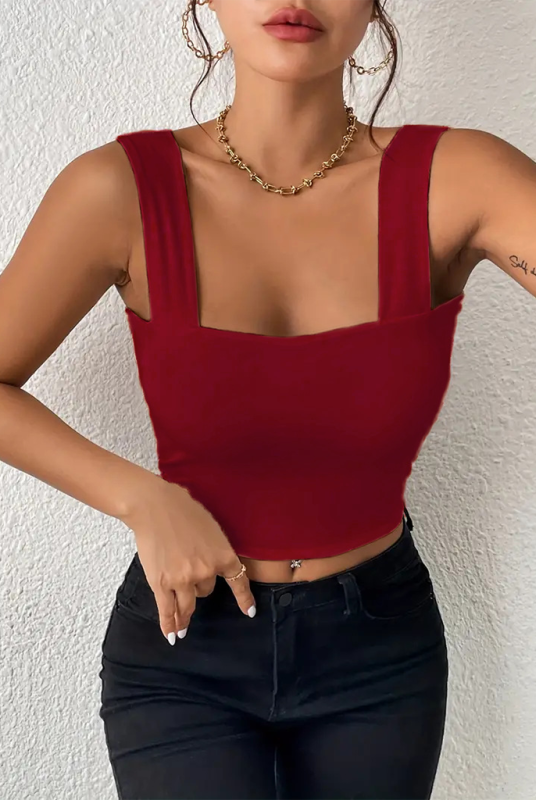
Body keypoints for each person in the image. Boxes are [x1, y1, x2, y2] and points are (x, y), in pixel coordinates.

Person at [1, 1, 536, 799]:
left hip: (379, 653)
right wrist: (141, 498)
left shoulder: (458, 180)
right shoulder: (119, 189)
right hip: (186, 646)